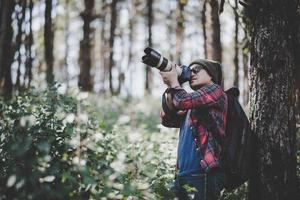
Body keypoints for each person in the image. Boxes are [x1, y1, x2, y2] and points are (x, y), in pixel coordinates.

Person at [159, 59, 228, 200]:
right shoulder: (193, 104)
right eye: (190, 70)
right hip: (181, 174)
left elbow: (183, 101)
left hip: (202, 173)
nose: (192, 73)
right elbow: (167, 119)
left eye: (197, 69)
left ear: (211, 74)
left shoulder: (216, 90)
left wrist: (174, 83)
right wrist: (170, 86)